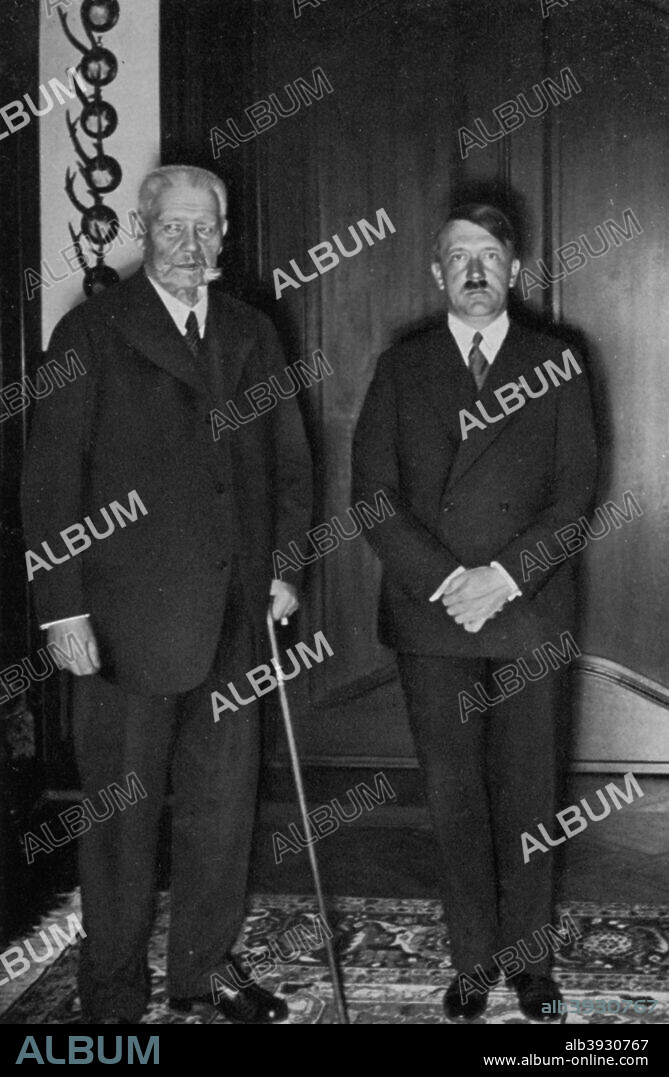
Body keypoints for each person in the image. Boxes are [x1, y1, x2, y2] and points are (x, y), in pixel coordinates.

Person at [21, 165, 312, 1025]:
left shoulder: (254, 333)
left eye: (206, 227)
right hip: (122, 622)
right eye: (175, 227)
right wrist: (62, 609)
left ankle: (203, 970)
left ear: (224, 233)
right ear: (145, 231)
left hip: (234, 618)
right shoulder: (92, 330)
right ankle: (110, 992)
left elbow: (290, 467)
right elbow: (49, 481)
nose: (192, 244)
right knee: (120, 821)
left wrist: (284, 569)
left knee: (223, 810)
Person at [352, 203, 597, 1022]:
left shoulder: (556, 362)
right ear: (435, 273)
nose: (474, 270)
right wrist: (452, 582)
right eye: (458, 256)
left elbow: (574, 497)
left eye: (489, 255)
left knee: (528, 793)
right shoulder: (401, 367)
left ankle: (529, 963)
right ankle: (470, 961)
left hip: (525, 610)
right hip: (434, 616)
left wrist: (501, 575)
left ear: (514, 270)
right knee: (453, 794)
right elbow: (372, 501)